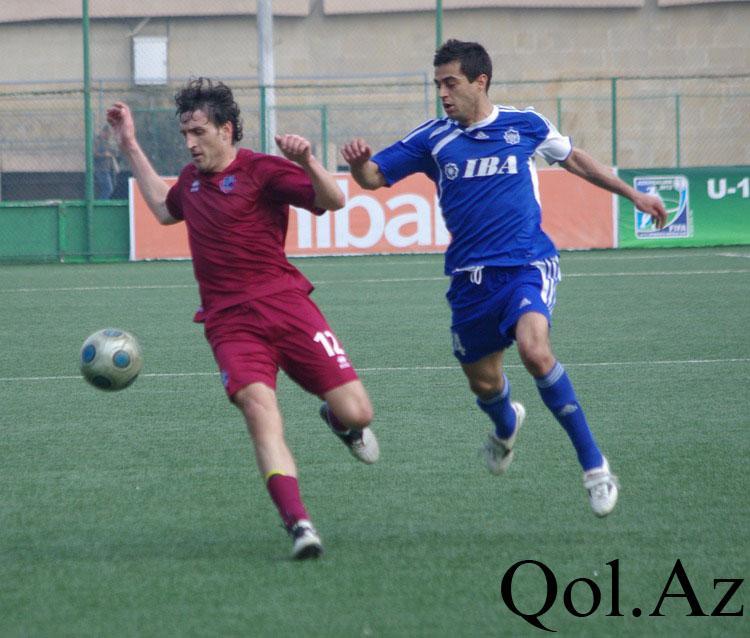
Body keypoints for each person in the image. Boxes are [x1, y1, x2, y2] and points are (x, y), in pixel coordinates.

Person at [342, 40, 667, 517]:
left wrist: (632, 194)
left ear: (480, 81)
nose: (443, 94)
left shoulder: (525, 125)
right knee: (485, 384)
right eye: (438, 85)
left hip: (525, 264)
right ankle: (506, 424)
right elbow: (372, 177)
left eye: (451, 83)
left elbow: (575, 159)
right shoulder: (433, 138)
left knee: (536, 352)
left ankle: (595, 467)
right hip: (470, 281)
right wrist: (357, 163)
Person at [107, 77, 379, 559]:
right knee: (259, 410)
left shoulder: (262, 170)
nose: (190, 143)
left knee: (358, 412)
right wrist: (129, 143)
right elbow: (164, 210)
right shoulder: (191, 182)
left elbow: (334, 201)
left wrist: (307, 161)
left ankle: (342, 423)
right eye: (185, 133)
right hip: (230, 323)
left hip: (287, 306)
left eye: (199, 132)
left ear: (227, 130)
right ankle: (299, 524)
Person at [93, 124, 120, 199]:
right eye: (108, 134)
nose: (109, 136)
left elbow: (115, 152)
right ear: (104, 132)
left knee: (110, 188)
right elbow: (93, 154)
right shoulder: (97, 141)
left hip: (108, 169)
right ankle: (101, 203)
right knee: (108, 189)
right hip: (101, 169)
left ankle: (103, 201)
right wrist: (104, 155)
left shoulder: (107, 142)